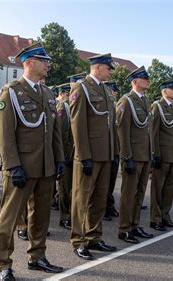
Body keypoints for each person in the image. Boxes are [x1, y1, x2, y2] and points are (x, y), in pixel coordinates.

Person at [0, 43, 65, 280]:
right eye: (43, 60)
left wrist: (59, 160)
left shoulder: (47, 93)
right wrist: (13, 165)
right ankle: (3, 265)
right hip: (21, 167)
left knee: (41, 216)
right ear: (28, 62)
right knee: (10, 218)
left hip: (45, 166)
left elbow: (53, 130)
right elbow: (4, 133)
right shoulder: (11, 91)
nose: (48, 64)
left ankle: (37, 256)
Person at [69, 54, 118, 260]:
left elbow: (110, 125)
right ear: (97, 67)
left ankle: (94, 236)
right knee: (82, 199)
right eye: (108, 68)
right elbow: (77, 124)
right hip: (89, 155)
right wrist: (83, 155)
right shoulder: (81, 88)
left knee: (99, 198)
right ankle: (78, 240)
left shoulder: (106, 91)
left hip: (105, 154)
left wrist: (113, 152)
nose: (110, 72)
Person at [116, 66, 154, 244]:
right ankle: (124, 228)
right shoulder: (126, 101)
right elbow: (122, 131)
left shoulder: (146, 101)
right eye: (144, 78)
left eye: (147, 78)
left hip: (145, 154)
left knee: (140, 193)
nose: (148, 81)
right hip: (133, 155)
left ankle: (134, 224)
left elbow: (148, 130)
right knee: (129, 193)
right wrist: (126, 156)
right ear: (135, 82)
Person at [149, 80, 173, 231]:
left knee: (168, 188)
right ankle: (155, 219)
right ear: (164, 91)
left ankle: (165, 215)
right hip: (162, 154)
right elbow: (153, 132)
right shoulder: (157, 106)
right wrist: (155, 153)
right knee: (157, 188)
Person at [54, 83, 73, 230]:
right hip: (67, 155)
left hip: (76, 154)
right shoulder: (63, 107)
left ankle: (72, 215)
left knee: (74, 189)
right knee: (65, 188)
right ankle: (64, 217)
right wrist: (63, 155)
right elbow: (61, 135)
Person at [102, 80, 120, 221]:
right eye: (113, 90)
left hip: (113, 149)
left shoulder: (113, 105)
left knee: (110, 182)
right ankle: (104, 208)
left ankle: (108, 206)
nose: (115, 93)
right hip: (104, 149)